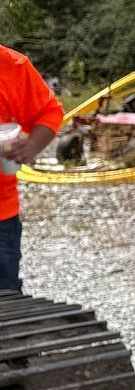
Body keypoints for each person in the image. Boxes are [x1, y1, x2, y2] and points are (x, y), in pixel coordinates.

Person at [0, 44, 65, 296]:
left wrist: (30, 149)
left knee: (5, 303)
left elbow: (48, 112)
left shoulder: (10, 65)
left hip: (1, 216)